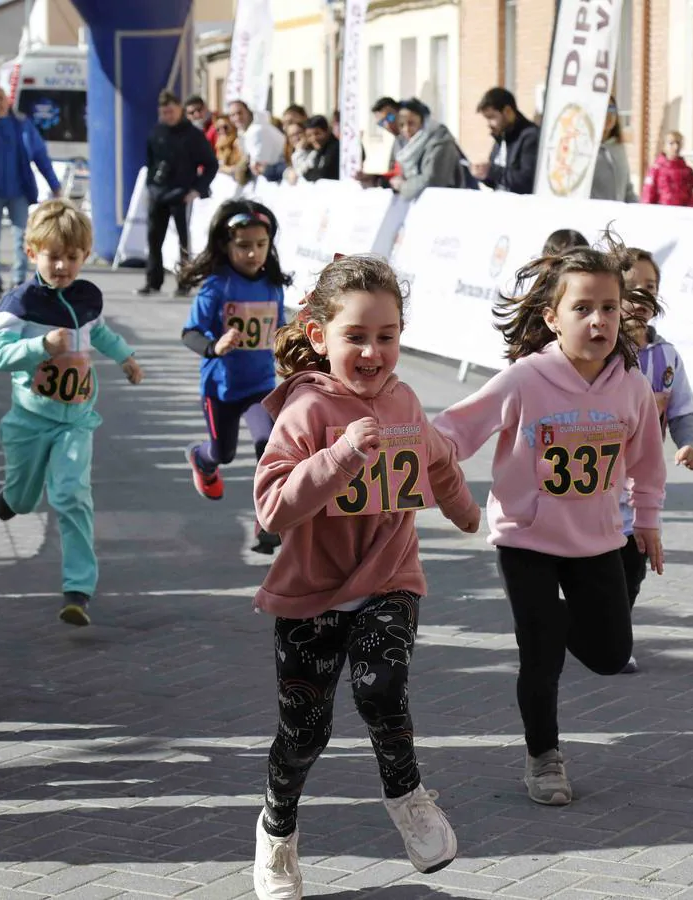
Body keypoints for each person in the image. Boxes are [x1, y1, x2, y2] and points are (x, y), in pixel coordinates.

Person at [250, 254, 480, 900]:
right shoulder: (307, 410)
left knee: (382, 686)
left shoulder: (404, 400)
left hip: (389, 579)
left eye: (387, 336)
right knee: (304, 732)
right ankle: (277, 832)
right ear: (321, 338)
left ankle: (407, 796)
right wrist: (340, 455)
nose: (373, 352)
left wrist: (467, 514)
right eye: (356, 337)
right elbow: (272, 506)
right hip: (311, 593)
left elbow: (436, 461)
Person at [432, 241, 666, 806]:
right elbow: (456, 429)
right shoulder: (523, 380)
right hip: (528, 538)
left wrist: (649, 521)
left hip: (598, 541)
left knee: (611, 656)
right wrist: (407, 444)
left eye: (610, 308)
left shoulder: (631, 387)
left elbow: (647, 461)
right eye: (583, 308)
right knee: (541, 656)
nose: (599, 320)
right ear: (552, 317)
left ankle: (549, 622)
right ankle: (544, 757)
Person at [0, 201, 145, 626]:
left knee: (72, 495)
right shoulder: (20, 303)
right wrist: (40, 347)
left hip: (76, 420)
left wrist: (125, 358)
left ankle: (78, 588)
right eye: (53, 256)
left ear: (84, 256)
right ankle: (13, 497)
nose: (62, 266)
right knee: (23, 495)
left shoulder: (87, 297)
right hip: (29, 421)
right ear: (32, 252)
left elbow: (101, 332)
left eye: (72, 257)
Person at [179, 202, 291, 552]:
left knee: (268, 447)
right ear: (226, 245)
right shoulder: (217, 287)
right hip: (221, 389)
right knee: (223, 453)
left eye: (260, 244)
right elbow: (190, 333)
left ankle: (267, 519)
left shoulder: (273, 286)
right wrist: (215, 346)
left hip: (260, 387)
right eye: (243, 245)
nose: (253, 252)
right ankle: (202, 458)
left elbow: (280, 328)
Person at [618, 248, 693, 672]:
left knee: (632, 569)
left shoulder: (667, 357)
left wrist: (689, 443)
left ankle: (617, 637)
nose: (640, 297)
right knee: (595, 569)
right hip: (595, 487)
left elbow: (683, 409)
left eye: (649, 287)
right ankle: (587, 623)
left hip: (641, 488)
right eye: (631, 286)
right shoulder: (598, 351)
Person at [0, 86, 61, 298]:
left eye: (1, 98)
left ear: (8, 101)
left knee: (22, 238)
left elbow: (40, 155)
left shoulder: (21, 125)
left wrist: (54, 184)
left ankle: (18, 281)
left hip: (18, 192)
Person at [139, 91, 218, 297]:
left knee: (184, 240)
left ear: (180, 110)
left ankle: (184, 282)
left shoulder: (192, 134)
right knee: (154, 238)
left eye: (172, 111)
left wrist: (196, 190)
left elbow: (211, 164)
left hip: (183, 194)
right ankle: (153, 281)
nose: (168, 116)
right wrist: (150, 186)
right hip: (158, 192)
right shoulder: (157, 132)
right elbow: (150, 162)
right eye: (164, 112)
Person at [470, 87, 540, 194]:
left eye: (492, 117)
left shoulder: (530, 137)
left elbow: (527, 181)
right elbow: (497, 181)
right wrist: (484, 174)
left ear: (508, 111)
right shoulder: (500, 137)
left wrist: (492, 172)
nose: (489, 124)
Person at [391, 98, 464, 199]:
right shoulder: (405, 147)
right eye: (401, 125)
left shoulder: (440, 140)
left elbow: (433, 180)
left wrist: (403, 186)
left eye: (411, 123)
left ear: (423, 122)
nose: (406, 129)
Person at [590, 96, 637, 203]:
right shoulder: (585, 150)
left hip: (618, 216)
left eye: (612, 108)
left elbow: (627, 189)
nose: (609, 114)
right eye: (604, 109)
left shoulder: (618, 147)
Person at [229, 100, 287, 177]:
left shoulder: (256, 130)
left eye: (240, 113)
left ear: (248, 111)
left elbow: (257, 167)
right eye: (233, 115)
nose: (237, 117)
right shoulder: (244, 132)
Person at [641, 131, 693, 207]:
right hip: (663, 213)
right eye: (671, 143)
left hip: (683, 214)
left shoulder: (688, 171)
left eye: (678, 143)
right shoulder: (656, 169)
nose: (676, 147)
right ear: (664, 146)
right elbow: (648, 195)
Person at [300, 115, 340, 181]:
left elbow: (323, 174)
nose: (313, 139)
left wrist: (306, 173)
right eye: (309, 135)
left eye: (317, 133)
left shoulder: (336, 148)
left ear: (327, 131)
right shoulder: (319, 151)